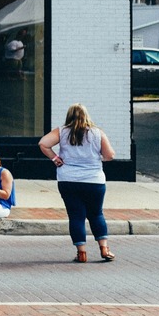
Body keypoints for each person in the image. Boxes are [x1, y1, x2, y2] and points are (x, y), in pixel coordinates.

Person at [38, 103, 117, 263]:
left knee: (76, 216)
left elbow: (43, 143)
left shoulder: (61, 132)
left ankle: (81, 253)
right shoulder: (97, 133)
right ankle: (104, 248)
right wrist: (95, 159)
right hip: (94, 180)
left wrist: (55, 158)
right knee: (96, 214)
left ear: (69, 115)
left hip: (68, 179)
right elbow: (110, 155)